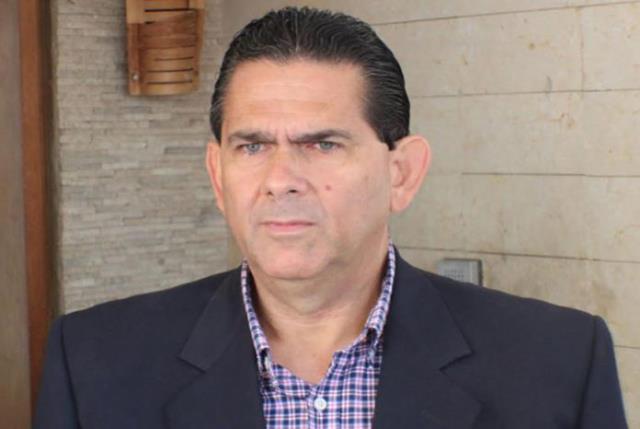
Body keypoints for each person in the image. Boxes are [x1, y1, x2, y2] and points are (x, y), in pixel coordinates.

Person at [34, 7, 627, 429]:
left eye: (322, 144)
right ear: (217, 176)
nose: (281, 178)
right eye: (252, 146)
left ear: (402, 173)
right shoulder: (94, 363)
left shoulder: (558, 362)